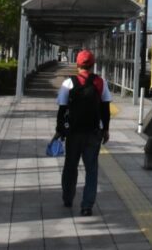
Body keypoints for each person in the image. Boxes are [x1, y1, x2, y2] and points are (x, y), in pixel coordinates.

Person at [56, 49, 111, 216]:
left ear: (77, 64)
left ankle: (68, 198)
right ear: (93, 65)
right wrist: (106, 129)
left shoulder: (68, 83)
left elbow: (62, 110)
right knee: (91, 169)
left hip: (73, 133)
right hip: (93, 132)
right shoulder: (100, 82)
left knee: (70, 166)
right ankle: (87, 206)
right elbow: (105, 109)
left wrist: (59, 131)